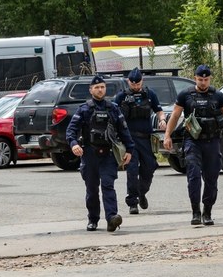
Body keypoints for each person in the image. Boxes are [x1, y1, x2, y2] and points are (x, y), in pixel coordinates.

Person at [163, 64, 223, 227]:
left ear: (210, 79)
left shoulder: (217, 95)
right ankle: (195, 211)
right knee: (194, 176)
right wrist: (167, 135)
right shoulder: (186, 95)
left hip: (212, 142)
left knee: (211, 178)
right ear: (195, 78)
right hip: (193, 141)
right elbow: (175, 115)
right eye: (200, 79)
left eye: (206, 79)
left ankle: (207, 212)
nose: (203, 82)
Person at [66, 75, 135, 232]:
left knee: (108, 186)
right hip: (90, 155)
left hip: (108, 155)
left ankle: (112, 218)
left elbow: (124, 131)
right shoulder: (84, 109)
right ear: (91, 90)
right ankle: (93, 219)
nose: (100, 89)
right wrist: (74, 144)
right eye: (96, 87)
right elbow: (71, 131)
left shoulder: (113, 108)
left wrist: (129, 150)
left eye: (102, 87)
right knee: (92, 190)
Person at [114, 67, 165, 215]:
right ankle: (132, 202)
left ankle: (141, 192)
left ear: (142, 81)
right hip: (129, 140)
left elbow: (159, 110)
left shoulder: (149, 94)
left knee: (150, 167)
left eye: (138, 84)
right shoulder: (121, 97)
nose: (135, 86)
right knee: (132, 170)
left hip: (145, 138)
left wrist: (162, 120)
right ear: (128, 81)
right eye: (133, 84)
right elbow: (114, 115)